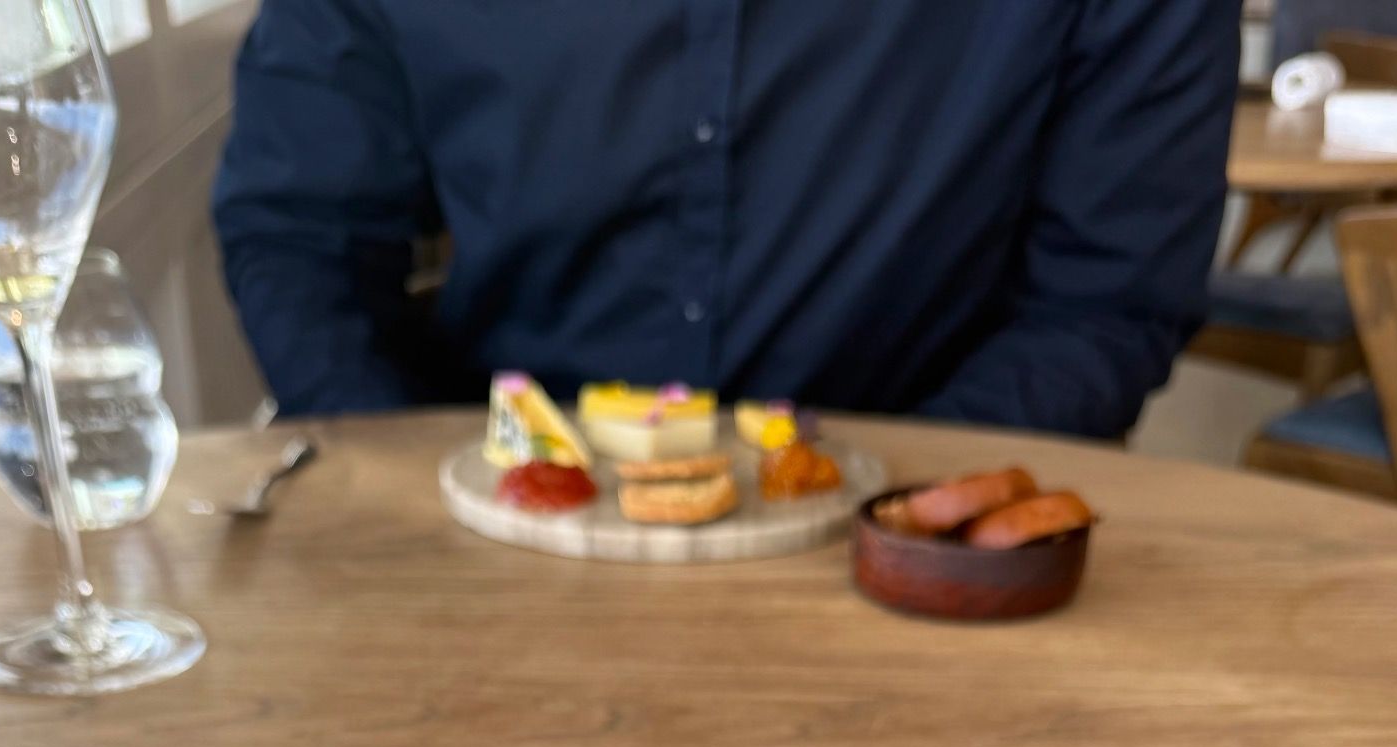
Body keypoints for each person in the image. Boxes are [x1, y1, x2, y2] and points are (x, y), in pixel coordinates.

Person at [214, 0, 1238, 441]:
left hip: (921, 552)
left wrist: (878, 510)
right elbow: (303, 231)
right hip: (486, 538)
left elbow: (1108, 298)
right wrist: (424, 489)